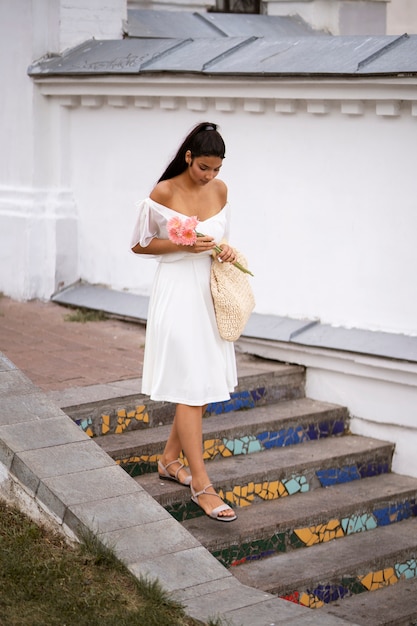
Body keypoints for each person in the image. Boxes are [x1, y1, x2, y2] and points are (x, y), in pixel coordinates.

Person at [131, 122, 237, 522]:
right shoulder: (165, 191)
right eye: (203, 167)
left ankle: (169, 459)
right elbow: (140, 243)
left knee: (202, 386)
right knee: (192, 387)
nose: (210, 176)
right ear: (189, 157)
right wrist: (182, 242)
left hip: (207, 294)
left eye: (217, 169)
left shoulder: (221, 191)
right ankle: (201, 483)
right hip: (176, 293)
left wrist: (224, 251)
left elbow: (222, 237)